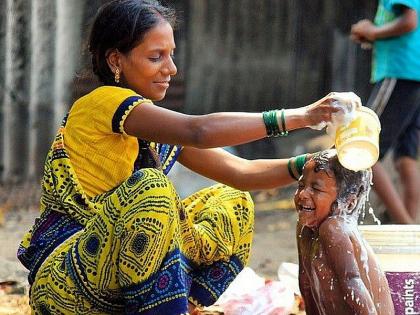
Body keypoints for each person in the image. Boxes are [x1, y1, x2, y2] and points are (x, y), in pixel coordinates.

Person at [17, 1, 340, 314]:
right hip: (65, 283)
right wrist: (301, 117)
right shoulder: (101, 103)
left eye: (171, 55)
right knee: (153, 189)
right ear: (115, 60)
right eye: (156, 57)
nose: (170, 68)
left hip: (111, 283)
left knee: (233, 202)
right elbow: (198, 130)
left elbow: (241, 172)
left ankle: (178, 306)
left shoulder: (153, 130)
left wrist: (315, 163)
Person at [295, 150, 394, 315]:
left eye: (316, 189)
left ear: (348, 203)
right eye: (300, 185)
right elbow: (306, 283)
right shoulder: (305, 228)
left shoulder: (334, 228)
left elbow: (353, 284)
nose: (303, 194)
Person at [350, 0, 420, 224]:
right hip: (414, 75)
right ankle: (412, 237)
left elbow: (409, 21)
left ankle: (407, 229)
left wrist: (373, 31)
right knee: (406, 158)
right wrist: (372, 35)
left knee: (363, 148)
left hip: (399, 72)